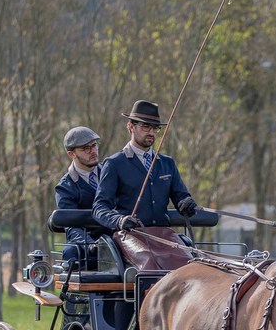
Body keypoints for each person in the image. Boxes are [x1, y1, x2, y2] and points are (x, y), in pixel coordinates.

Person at [92, 100, 198, 233]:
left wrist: (186, 203)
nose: (151, 132)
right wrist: (119, 220)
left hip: (164, 236)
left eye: (155, 128)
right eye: (146, 126)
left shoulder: (167, 163)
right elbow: (99, 207)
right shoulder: (114, 164)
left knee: (190, 254)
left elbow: (181, 197)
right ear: (131, 126)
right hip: (130, 236)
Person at [55, 126, 105, 267]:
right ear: (71, 154)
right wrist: (90, 245)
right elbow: (71, 227)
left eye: (94, 145)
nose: (93, 151)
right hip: (87, 244)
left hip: (117, 237)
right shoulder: (65, 188)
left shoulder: (111, 174)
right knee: (71, 252)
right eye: (86, 148)